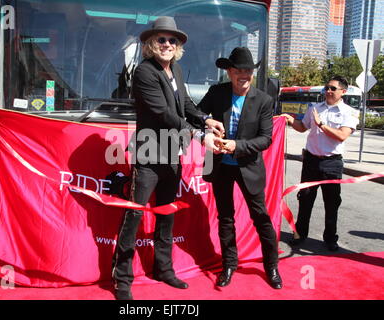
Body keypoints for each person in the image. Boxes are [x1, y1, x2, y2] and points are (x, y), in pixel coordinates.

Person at [111, 16, 224, 300]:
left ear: (178, 46)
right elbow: (164, 114)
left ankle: (163, 268)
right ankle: (121, 278)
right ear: (151, 43)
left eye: (172, 40)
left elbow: (185, 104)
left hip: (172, 154)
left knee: (166, 214)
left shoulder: (177, 69)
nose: (167, 44)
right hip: (148, 155)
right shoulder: (144, 72)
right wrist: (200, 136)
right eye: (161, 39)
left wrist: (206, 120)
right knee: (134, 215)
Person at [198, 47, 282, 289]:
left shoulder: (264, 100)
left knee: (261, 218)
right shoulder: (216, 92)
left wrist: (237, 145)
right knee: (226, 219)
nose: (243, 75)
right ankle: (228, 265)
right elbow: (197, 114)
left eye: (248, 70)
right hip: (220, 166)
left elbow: (266, 139)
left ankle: (272, 266)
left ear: (252, 73)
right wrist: (207, 127)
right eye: (238, 70)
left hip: (248, 167)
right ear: (229, 72)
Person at [283, 75, 359, 251]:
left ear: (343, 92)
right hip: (311, 160)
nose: (329, 91)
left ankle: (330, 238)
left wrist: (321, 124)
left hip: (332, 163)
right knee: (305, 199)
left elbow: (341, 135)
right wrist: (289, 119)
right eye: (327, 88)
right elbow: (302, 127)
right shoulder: (315, 108)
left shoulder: (349, 112)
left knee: (331, 202)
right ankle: (300, 234)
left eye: (333, 88)